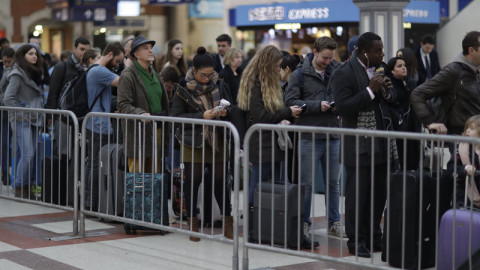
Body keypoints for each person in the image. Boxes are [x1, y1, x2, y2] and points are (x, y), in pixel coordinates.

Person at [237, 45, 318, 248]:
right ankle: (253, 228)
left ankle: (272, 228)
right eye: (276, 64)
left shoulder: (265, 82)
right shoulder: (255, 84)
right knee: (258, 184)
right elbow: (262, 116)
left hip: (272, 141)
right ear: (267, 63)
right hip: (261, 142)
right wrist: (287, 113)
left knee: (273, 185)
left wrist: (283, 115)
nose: (278, 68)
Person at [329, 32, 392, 258]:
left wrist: (387, 90)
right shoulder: (343, 73)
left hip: (381, 142)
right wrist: (370, 90)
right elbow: (343, 107)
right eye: (378, 51)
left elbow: (390, 102)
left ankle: (375, 236)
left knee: (378, 195)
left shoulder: (381, 68)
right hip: (358, 146)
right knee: (358, 196)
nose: (382, 54)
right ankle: (357, 241)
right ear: (364, 52)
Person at [285, 36, 346, 239]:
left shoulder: (337, 71)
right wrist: (316, 105)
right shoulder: (299, 74)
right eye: (324, 58)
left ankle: (334, 222)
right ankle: (304, 222)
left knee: (334, 183)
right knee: (306, 183)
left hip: (333, 134)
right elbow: (291, 101)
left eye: (330, 58)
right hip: (309, 135)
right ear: (315, 52)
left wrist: (338, 103)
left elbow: (345, 95)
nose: (327, 62)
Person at [172, 46, 233, 242]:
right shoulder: (183, 88)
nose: (207, 78)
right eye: (203, 74)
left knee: (220, 182)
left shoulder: (220, 84)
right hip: (193, 141)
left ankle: (228, 222)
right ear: (194, 70)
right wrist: (202, 116)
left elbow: (233, 107)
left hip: (217, 140)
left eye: (210, 74)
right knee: (193, 182)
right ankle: (193, 223)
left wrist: (225, 112)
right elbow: (176, 116)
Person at [117, 35, 170, 174]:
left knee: (155, 177)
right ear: (136, 54)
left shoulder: (155, 73)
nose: (150, 50)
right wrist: (139, 113)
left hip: (157, 130)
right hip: (139, 133)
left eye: (151, 47)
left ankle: (153, 197)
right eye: (145, 48)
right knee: (138, 180)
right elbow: (123, 105)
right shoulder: (128, 75)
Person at [411, 31, 480, 136]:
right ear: (471, 51)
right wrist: (429, 122)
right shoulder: (454, 71)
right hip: (462, 138)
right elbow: (417, 94)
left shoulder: (476, 70)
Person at [84, 41, 124, 211]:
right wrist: (130, 67)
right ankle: (91, 202)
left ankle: (89, 201)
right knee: (95, 164)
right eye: (117, 61)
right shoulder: (100, 71)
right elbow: (124, 82)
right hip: (99, 125)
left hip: (96, 123)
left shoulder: (95, 70)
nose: (118, 65)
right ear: (109, 55)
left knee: (92, 163)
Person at [3, 44, 45, 199]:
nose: (34, 56)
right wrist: (21, 112)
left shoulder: (33, 72)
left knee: (31, 154)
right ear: (23, 55)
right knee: (27, 154)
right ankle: (20, 187)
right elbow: (8, 98)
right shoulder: (17, 74)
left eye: (35, 54)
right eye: (30, 54)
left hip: (34, 117)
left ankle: (26, 187)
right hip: (22, 119)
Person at [385, 56, 421, 169]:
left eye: (404, 65)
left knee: (413, 158)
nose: (404, 68)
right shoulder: (390, 85)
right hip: (399, 126)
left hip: (411, 125)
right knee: (402, 158)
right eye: (399, 66)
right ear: (392, 70)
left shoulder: (409, 83)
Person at [458, 115, 480, 208]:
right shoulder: (461, 148)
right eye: (466, 128)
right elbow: (451, 169)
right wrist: (465, 169)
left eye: (472, 128)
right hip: (466, 199)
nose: (467, 130)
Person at [0, 46, 14, 185]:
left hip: (10, 111)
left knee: (11, 144)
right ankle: (5, 173)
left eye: (9, 62)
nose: (6, 64)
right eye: (4, 62)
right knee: (4, 144)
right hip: (4, 112)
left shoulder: (15, 71)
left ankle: (10, 173)